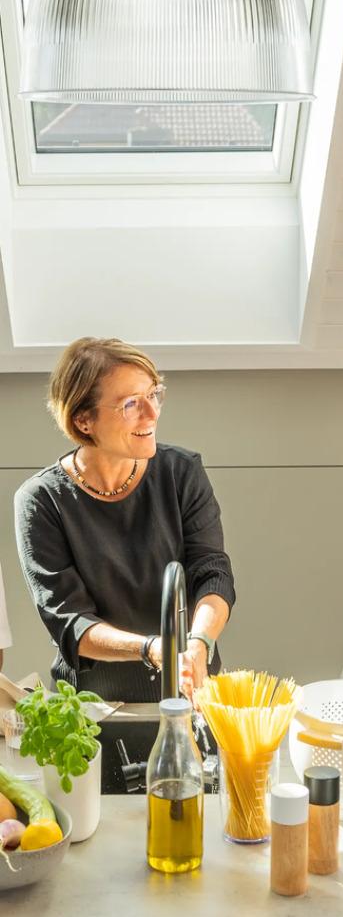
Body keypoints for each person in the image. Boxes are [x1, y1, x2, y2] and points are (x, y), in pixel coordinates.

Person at [14, 337, 236, 791]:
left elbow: (213, 572)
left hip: (190, 694)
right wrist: (153, 648)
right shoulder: (41, 502)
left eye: (154, 395)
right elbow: (71, 624)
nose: (152, 414)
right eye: (132, 403)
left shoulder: (181, 472)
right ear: (84, 419)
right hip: (97, 713)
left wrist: (196, 642)